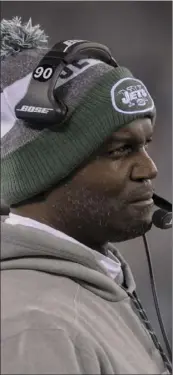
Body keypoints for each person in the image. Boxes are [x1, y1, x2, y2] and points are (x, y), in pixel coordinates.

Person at [1, 18, 171, 374]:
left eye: (145, 144)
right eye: (121, 150)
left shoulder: (89, 288)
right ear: (44, 170)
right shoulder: (36, 328)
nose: (149, 169)